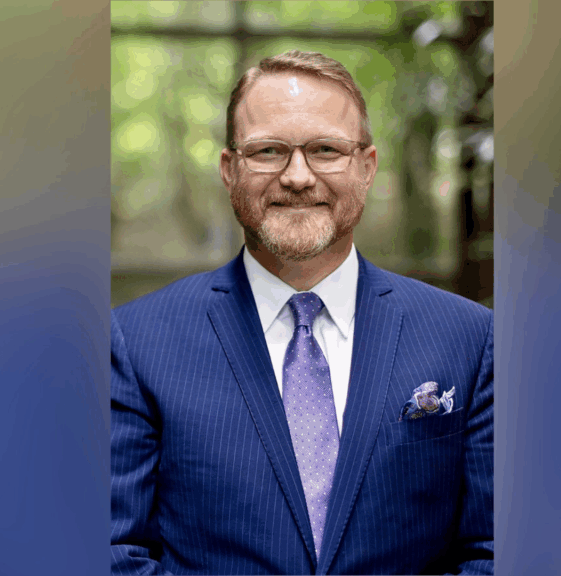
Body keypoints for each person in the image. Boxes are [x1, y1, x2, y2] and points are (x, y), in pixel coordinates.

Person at [111, 50, 493, 575]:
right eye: (268, 150)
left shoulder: (470, 339)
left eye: (325, 149)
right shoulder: (134, 342)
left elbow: (496, 551)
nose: (297, 176)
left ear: (367, 166)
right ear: (229, 169)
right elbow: (112, 552)